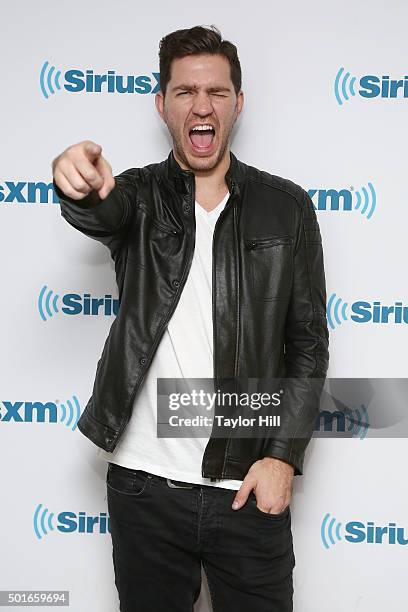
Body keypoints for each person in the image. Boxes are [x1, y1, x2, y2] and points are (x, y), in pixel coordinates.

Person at [52, 24, 329, 612]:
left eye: (217, 92)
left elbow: (307, 344)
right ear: (162, 104)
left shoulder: (288, 206)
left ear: (237, 103)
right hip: (143, 488)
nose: (201, 106)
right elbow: (101, 210)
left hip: (247, 487)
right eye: (184, 92)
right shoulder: (138, 196)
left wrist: (282, 457)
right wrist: (77, 182)